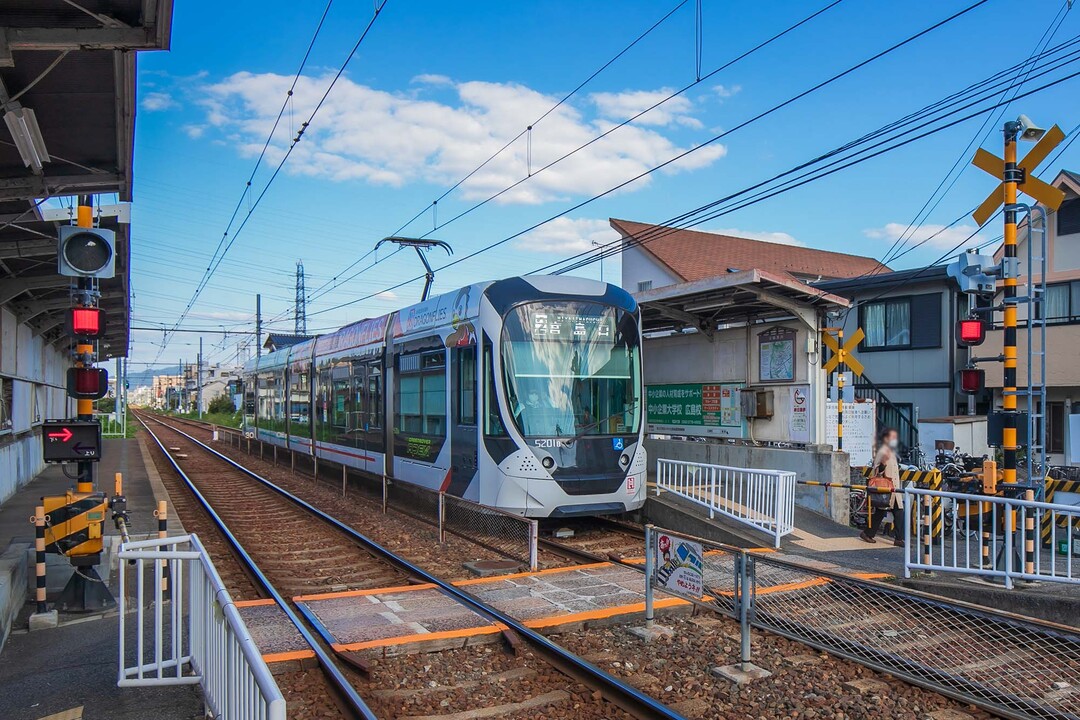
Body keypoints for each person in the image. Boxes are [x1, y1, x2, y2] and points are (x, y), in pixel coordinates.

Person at [860, 427, 906, 547]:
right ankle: (869, 533)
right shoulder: (882, 452)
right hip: (886, 489)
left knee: (896, 512)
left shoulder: (891, 451)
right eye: (892, 437)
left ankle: (898, 538)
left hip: (893, 489)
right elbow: (876, 471)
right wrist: (882, 466)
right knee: (887, 512)